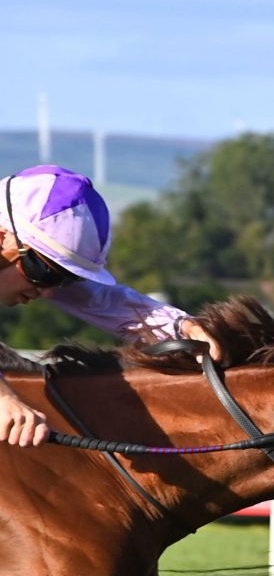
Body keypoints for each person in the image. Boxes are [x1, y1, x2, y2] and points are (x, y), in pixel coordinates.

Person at [1, 164, 222, 448]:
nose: (46, 292)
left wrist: (182, 327)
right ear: (3, 238)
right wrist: (4, 397)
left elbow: (96, 298)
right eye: (44, 273)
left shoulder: (21, 260)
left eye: (64, 279)